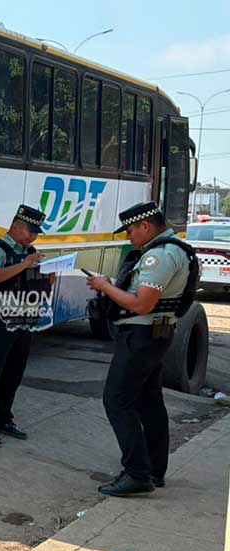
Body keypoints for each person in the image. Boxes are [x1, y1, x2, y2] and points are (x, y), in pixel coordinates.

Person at [87, 201, 200, 497]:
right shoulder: (172, 248)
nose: (128, 237)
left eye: (130, 230)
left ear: (145, 226)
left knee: (116, 400)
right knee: (149, 402)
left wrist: (104, 286)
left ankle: (137, 473)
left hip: (142, 335)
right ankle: (153, 468)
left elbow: (141, 304)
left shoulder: (160, 256)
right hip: (153, 334)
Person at [0, 205, 49, 445]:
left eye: (36, 233)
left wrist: (47, 275)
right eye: (30, 231)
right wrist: (25, 264)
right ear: (16, 226)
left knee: (14, 372)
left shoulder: (30, 252)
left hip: (24, 320)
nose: (33, 237)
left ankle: (3, 418)